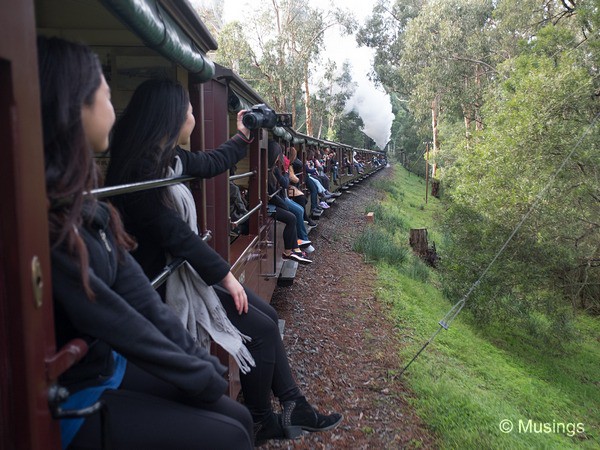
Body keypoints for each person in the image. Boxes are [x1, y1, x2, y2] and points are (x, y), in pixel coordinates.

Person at [39, 36, 253, 449]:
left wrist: (198, 362)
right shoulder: (53, 221)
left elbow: (140, 298)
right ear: (73, 106)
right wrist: (199, 372)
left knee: (236, 417)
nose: (111, 103)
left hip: (106, 367)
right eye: (103, 91)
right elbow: (118, 318)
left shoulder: (89, 208)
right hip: (76, 396)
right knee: (229, 435)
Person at [105, 79, 342, 442]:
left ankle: (294, 405)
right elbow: (175, 233)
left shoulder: (168, 160)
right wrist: (227, 277)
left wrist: (243, 135)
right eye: (188, 109)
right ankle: (264, 417)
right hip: (161, 287)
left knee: (267, 316)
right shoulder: (140, 172)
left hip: (180, 275)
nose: (193, 115)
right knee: (261, 329)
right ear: (168, 117)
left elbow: (212, 161)